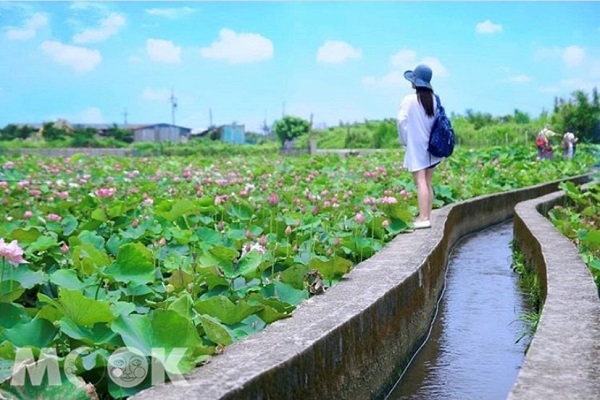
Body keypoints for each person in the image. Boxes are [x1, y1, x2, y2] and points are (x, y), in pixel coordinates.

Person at [397, 64, 444, 229]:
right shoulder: (433, 99)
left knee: (420, 182)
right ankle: (427, 216)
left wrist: (405, 140)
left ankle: (423, 218)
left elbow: (401, 121)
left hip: (416, 147)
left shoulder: (409, 100)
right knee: (428, 181)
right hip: (432, 147)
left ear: (415, 82)